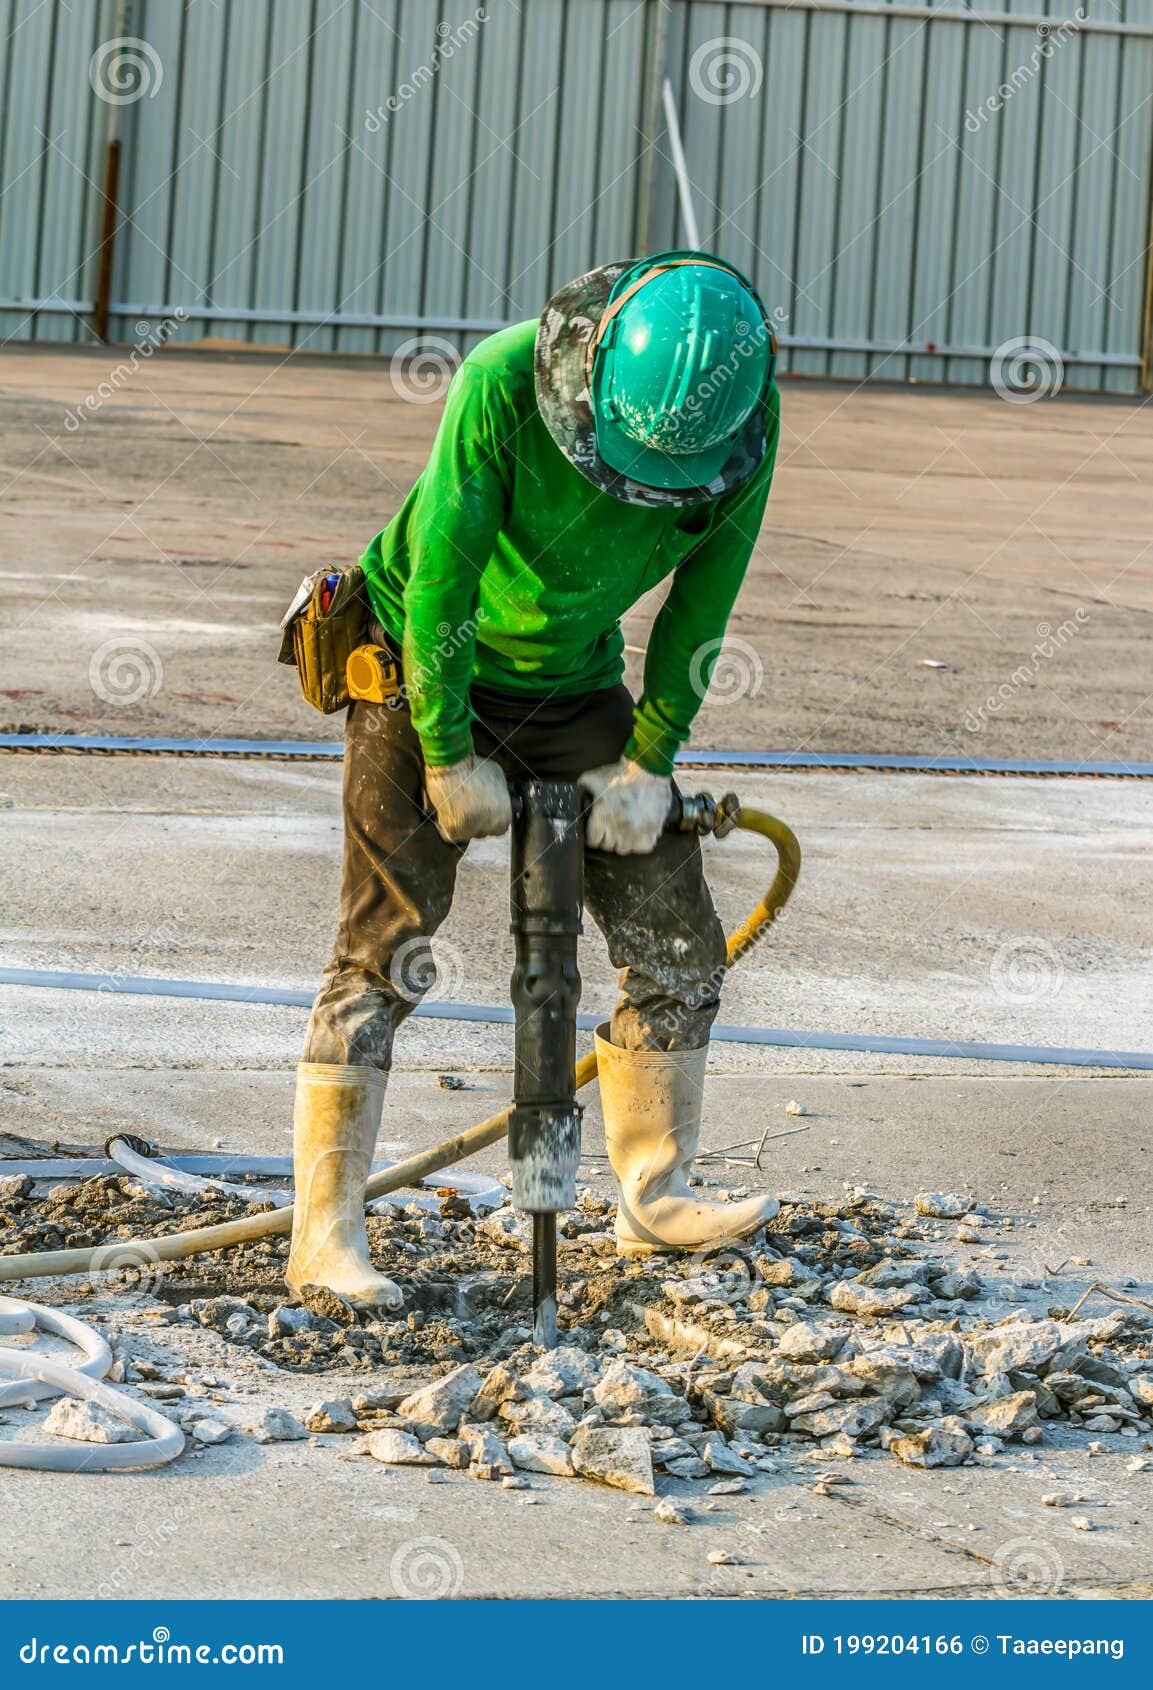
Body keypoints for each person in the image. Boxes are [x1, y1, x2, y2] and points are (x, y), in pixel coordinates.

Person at [287, 251, 783, 1308]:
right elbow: (442, 579)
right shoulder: (501, 382)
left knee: (676, 937)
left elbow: (703, 608)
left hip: (573, 680)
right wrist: (446, 751)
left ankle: (654, 1195)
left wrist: (649, 760)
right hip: (423, 660)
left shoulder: (745, 427)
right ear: (590, 374)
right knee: (386, 946)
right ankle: (323, 1236)